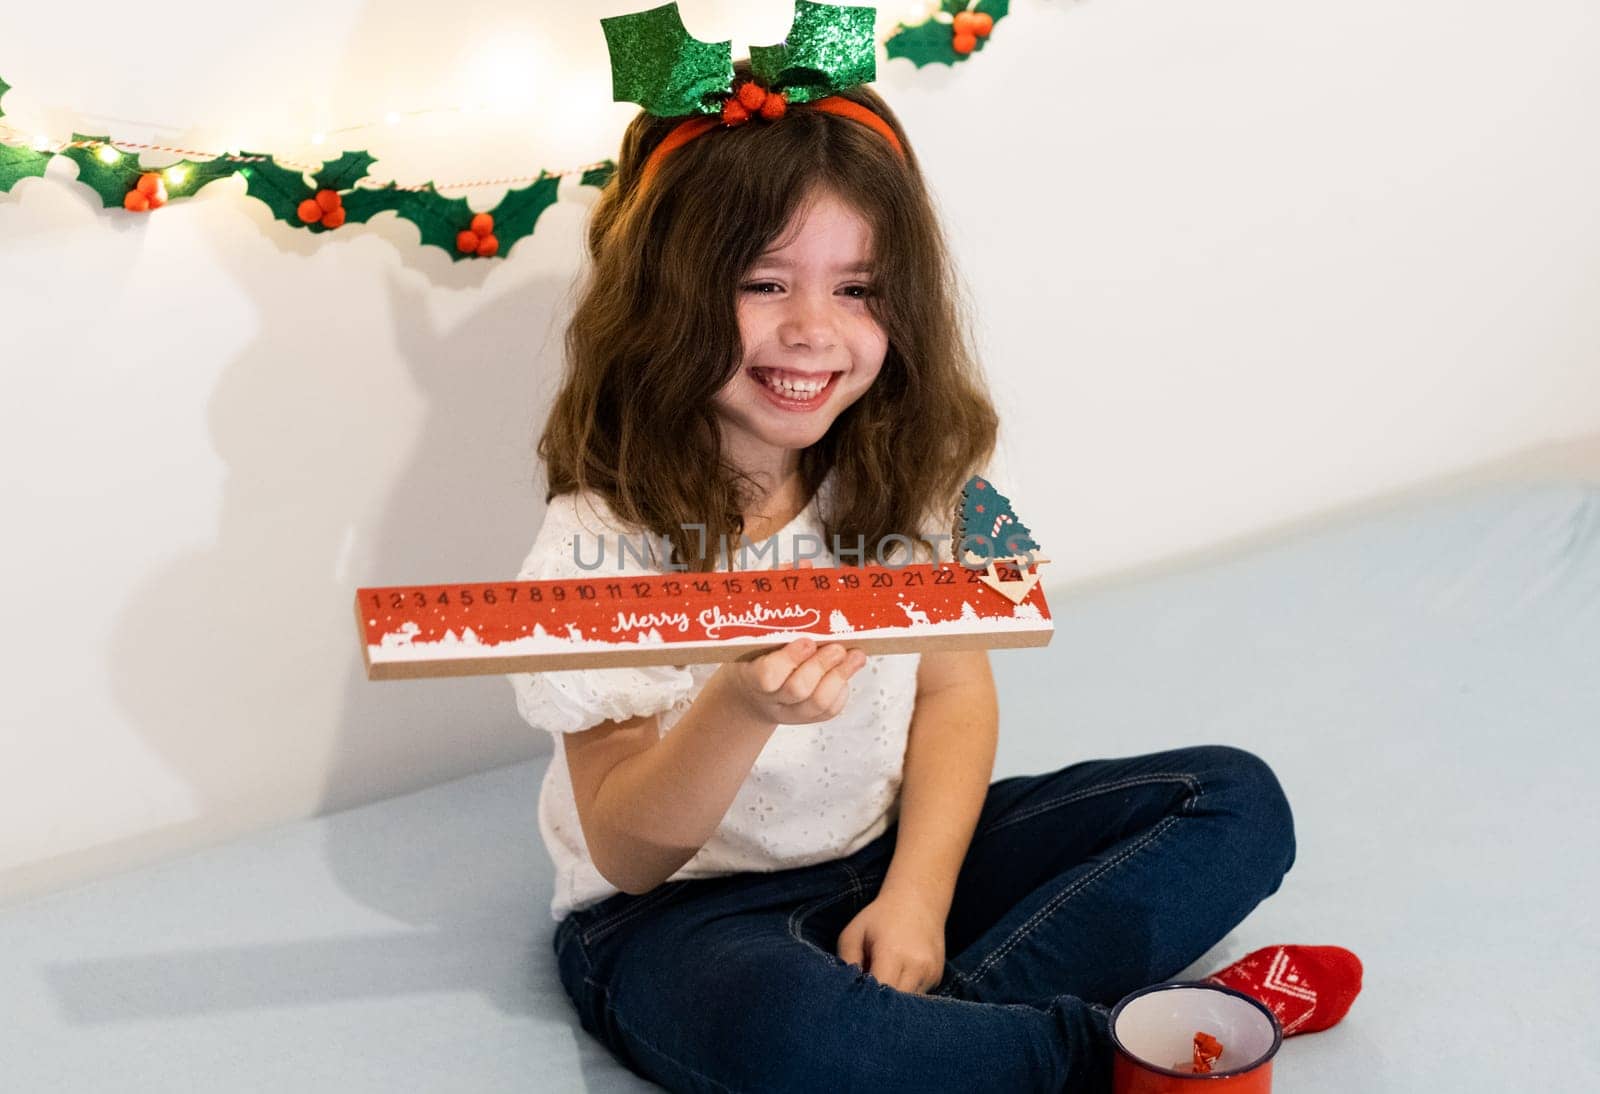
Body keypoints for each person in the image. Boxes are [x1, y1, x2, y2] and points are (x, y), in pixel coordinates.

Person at [507, 6, 1361, 1090]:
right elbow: (627, 851)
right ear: (665, 302)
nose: (815, 329)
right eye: (763, 283)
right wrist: (738, 707)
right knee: (796, 1034)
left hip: (894, 851)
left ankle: (945, 1036)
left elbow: (955, 696)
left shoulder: (912, 477)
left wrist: (915, 891)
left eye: (857, 288)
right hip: (680, 913)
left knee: (1234, 800)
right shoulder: (599, 538)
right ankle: (1106, 1053)